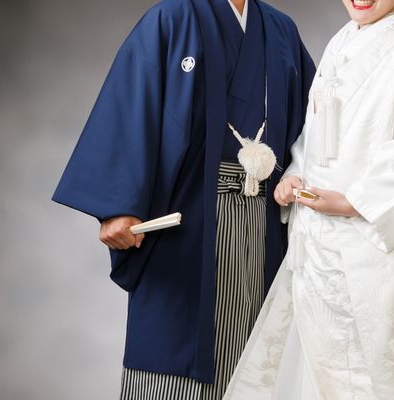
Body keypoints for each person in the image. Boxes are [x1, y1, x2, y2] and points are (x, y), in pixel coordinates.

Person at [223, 0, 394, 399]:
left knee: (369, 370)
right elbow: (315, 134)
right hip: (317, 241)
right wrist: (295, 175)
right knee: (319, 363)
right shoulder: (340, 44)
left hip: (369, 241)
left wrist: (354, 201)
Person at [52, 0, 315, 398]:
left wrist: (299, 172)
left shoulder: (281, 31)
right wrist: (119, 206)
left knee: (257, 361)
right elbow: (133, 103)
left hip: (262, 224)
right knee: (173, 355)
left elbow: (316, 124)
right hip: (186, 220)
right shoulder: (171, 18)